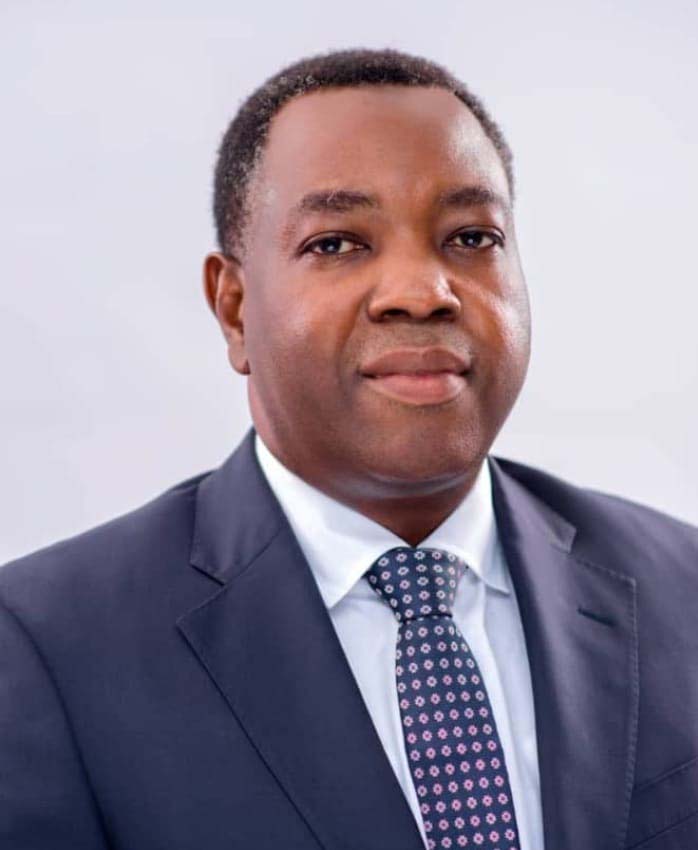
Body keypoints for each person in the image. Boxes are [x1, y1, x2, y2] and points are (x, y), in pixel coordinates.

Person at [1, 48, 696, 850]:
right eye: (336, 243)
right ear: (234, 309)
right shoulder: (46, 647)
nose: (422, 292)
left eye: (471, 236)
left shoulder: (682, 592)